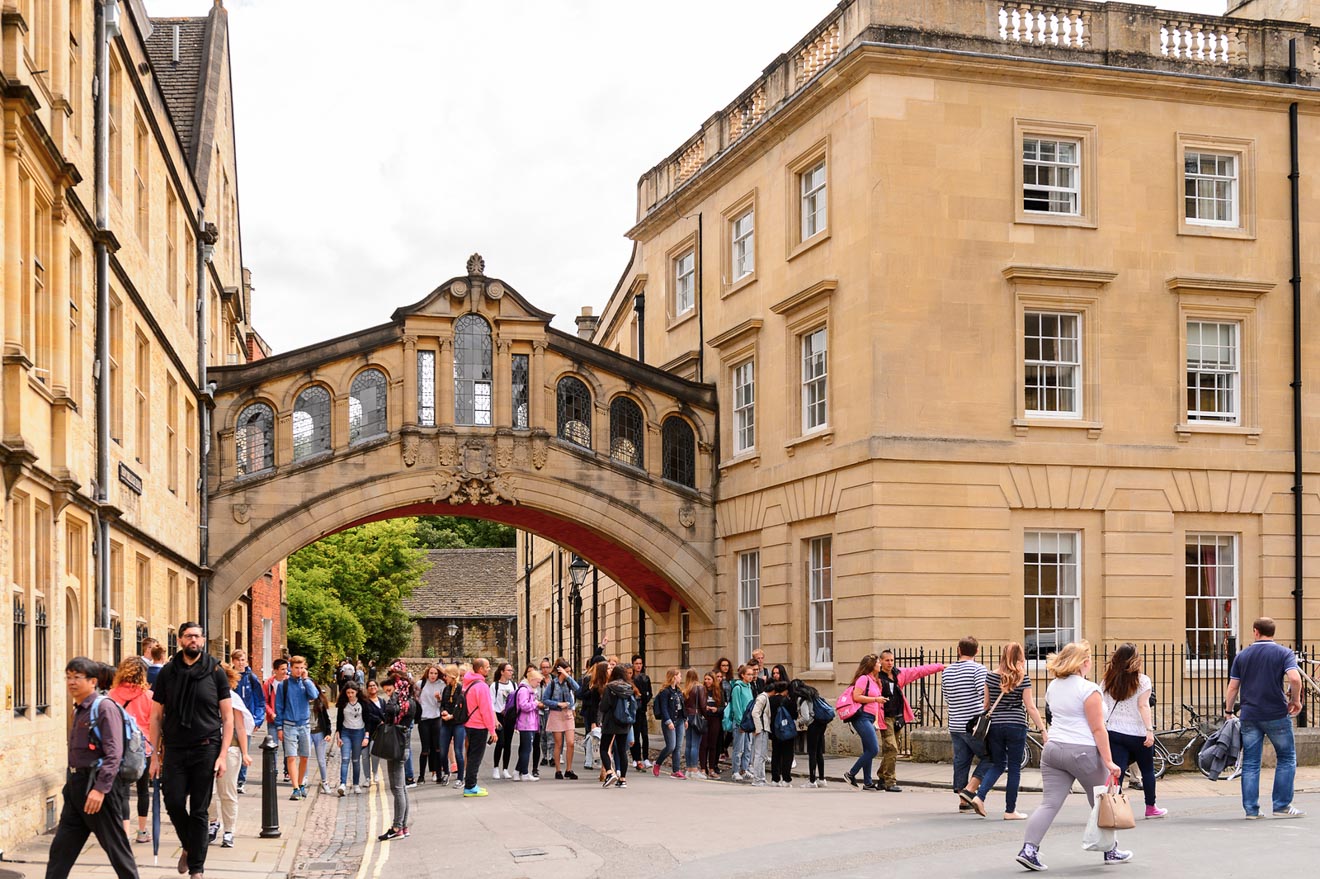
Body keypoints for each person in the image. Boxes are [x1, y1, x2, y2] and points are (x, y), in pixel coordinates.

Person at [1017, 641, 1129, 871]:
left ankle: (1029, 849)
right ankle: (1111, 850)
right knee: (1101, 802)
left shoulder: (1053, 686)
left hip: (1054, 749)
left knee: (1049, 804)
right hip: (1082, 751)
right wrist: (1108, 761)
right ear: (1084, 663)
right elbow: (1098, 729)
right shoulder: (1089, 690)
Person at [148, 622, 233, 879]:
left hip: (206, 748)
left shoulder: (216, 672)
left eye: (197, 636)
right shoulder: (167, 673)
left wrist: (222, 756)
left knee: (199, 809)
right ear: (180, 640)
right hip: (174, 749)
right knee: (172, 801)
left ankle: (197, 868)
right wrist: (154, 754)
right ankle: (189, 845)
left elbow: (227, 718)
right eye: (188, 636)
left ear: (203, 640)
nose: (193, 640)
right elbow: (155, 717)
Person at [45, 657, 141, 879]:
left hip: (99, 788)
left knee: (117, 849)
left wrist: (100, 789)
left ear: (93, 681)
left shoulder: (104, 708)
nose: (71, 682)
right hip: (77, 788)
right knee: (61, 851)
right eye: (68, 677)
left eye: (77, 677)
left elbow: (114, 753)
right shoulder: (79, 709)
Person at [1223, 616, 1305, 820]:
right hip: (1276, 713)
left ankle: (1251, 810)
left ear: (1255, 631)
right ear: (1273, 632)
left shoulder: (1243, 655)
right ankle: (1281, 805)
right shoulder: (1284, 653)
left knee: (1250, 762)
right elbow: (1295, 678)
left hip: (1250, 715)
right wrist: (1295, 700)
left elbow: (1233, 686)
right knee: (1286, 757)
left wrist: (1228, 711)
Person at [971, 642, 1043, 820]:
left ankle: (980, 797)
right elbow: (1031, 707)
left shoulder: (990, 677)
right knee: (1014, 768)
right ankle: (1010, 810)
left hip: (995, 725)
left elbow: (986, 705)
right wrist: (1043, 729)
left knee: (998, 764)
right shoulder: (1022, 678)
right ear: (1019, 657)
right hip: (1016, 725)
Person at [1101, 644, 1164, 819]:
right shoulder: (1143, 680)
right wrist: (1149, 730)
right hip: (1138, 733)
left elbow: (1102, 705)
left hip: (1114, 731)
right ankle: (1151, 807)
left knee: (1118, 770)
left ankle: (1113, 808)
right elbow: (1143, 705)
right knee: (1147, 770)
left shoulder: (1107, 680)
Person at [874, 650, 945, 792]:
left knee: (892, 749)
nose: (890, 663)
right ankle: (890, 781)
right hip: (885, 717)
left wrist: (941, 667)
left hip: (898, 717)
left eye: (892, 660)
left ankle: (882, 777)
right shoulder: (875, 677)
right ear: (880, 661)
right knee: (892, 748)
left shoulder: (899, 674)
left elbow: (920, 671)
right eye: (887, 660)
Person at [107, 657, 154, 844]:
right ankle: (142, 831)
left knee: (123, 792)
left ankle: (124, 832)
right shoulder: (149, 696)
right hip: (144, 748)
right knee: (143, 791)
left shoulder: (112, 694)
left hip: (119, 747)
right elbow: (154, 723)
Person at [207, 664, 254, 849]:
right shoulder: (205, 696)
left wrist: (245, 753)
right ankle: (213, 822)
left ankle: (229, 831)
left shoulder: (232, 698)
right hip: (207, 749)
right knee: (206, 793)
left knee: (227, 792)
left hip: (230, 750)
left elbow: (240, 727)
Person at [945, 636, 994, 813]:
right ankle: (970, 790)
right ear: (977, 651)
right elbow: (984, 695)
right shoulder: (978, 669)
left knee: (961, 760)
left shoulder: (947, 671)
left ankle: (962, 799)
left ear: (958, 650)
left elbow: (947, 696)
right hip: (973, 724)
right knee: (991, 756)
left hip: (955, 722)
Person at [272, 655, 319, 800]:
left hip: (304, 725)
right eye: (296, 668)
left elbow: (314, 695)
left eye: (302, 668)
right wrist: (279, 727)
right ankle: (295, 788)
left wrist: (306, 679)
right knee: (291, 757)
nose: (299, 670)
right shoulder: (283, 685)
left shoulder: (306, 683)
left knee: (304, 757)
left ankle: (301, 784)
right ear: (291, 668)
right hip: (289, 725)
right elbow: (278, 707)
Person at [377, 665, 412, 840]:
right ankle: (403, 826)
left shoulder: (401, 704)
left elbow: (390, 713)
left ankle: (397, 826)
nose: (388, 695)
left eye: (389, 691)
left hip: (397, 747)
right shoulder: (408, 701)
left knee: (397, 788)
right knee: (402, 789)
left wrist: (391, 700)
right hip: (401, 746)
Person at [841, 653, 886, 790]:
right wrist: (875, 699)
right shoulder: (863, 679)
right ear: (872, 665)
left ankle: (867, 782)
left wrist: (877, 720)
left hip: (871, 718)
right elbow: (856, 696)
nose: (880, 664)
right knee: (873, 749)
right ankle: (851, 774)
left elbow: (876, 703)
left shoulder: (874, 680)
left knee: (868, 749)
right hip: (862, 717)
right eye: (878, 662)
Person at [229, 650, 265, 795]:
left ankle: (240, 781)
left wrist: (258, 719)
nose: (240, 662)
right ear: (233, 661)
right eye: (237, 660)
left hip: (246, 720)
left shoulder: (251, 678)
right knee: (231, 749)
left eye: (242, 659)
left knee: (244, 750)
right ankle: (231, 777)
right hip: (230, 720)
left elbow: (259, 700)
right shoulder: (229, 677)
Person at [461, 658, 497, 797]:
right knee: (476, 757)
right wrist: (492, 730)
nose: (489, 669)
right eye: (487, 667)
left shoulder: (468, 683)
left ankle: (471, 784)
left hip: (469, 723)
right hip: (479, 725)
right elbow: (486, 710)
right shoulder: (482, 686)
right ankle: (470, 786)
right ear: (480, 669)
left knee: (471, 756)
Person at [598, 664, 636, 788]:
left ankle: (609, 772)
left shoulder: (610, 687)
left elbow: (603, 706)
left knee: (604, 747)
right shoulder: (629, 688)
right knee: (622, 751)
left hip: (610, 721)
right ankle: (623, 779)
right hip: (624, 721)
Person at [789, 678, 828, 788]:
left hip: (813, 725)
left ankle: (812, 781)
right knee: (819, 752)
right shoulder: (812, 692)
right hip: (821, 723)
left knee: (812, 753)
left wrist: (797, 722)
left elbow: (806, 717)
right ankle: (821, 779)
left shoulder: (802, 698)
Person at [544, 658, 580, 780]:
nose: (569, 673)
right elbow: (545, 700)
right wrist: (558, 704)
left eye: (570, 671)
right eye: (567, 671)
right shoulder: (552, 684)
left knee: (570, 742)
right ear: (560, 670)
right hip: (556, 714)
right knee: (558, 743)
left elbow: (578, 688)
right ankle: (558, 770)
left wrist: (567, 676)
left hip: (568, 714)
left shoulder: (569, 682)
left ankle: (569, 769)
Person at [437, 665, 467, 788]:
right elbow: (443, 704)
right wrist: (443, 711)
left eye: (446, 675)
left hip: (458, 724)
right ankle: (446, 773)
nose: (445, 678)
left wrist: (452, 716)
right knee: (443, 751)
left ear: (452, 676)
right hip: (446, 723)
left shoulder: (461, 689)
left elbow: (461, 707)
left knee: (458, 751)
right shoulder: (446, 689)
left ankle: (460, 778)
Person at [335, 681, 368, 795]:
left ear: (357, 692)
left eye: (352, 692)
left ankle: (356, 784)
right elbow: (339, 719)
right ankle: (342, 784)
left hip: (359, 732)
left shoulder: (363, 703)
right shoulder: (343, 704)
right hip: (346, 732)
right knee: (345, 759)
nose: (350, 695)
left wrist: (366, 736)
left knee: (355, 760)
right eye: (348, 692)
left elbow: (367, 720)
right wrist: (338, 734)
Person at [653, 668, 686, 778]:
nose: (681, 678)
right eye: (679, 675)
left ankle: (676, 770)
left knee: (678, 746)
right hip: (670, 721)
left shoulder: (679, 691)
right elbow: (664, 708)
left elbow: (682, 707)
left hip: (680, 720)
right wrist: (668, 721)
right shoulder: (665, 692)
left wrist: (685, 719)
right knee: (671, 746)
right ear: (674, 677)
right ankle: (657, 763)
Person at [726, 664, 756, 781]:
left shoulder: (749, 687)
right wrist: (740, 723)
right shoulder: (737, 688)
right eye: (748, 674)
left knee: (748, 747)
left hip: (748, 722)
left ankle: (744, 769)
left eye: (751, 674)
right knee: (738, 749)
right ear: (742, 675)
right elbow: (737, 707)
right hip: (740, 723)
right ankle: (735, 771)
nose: (750, 676)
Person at [415, 665, 445, 783]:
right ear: (427, 673)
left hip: (436, 717)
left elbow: (442, 703)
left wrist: (439, 698)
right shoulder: (420, 684)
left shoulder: (441, 685)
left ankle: (438, 775)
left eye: (435, 673)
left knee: (437, 748)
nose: (433, 675)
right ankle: (421, 776)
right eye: (431, 673)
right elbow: (415, 699)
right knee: (425, 749)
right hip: (424, 719)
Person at [513, 667, 543, 781]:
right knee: (526, 749)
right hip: (526, 723)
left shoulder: (528, 690)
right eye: (538, 682)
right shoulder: (524, 690)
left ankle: (517, 772)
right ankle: (524, 773)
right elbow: (524, 706)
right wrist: (535, 704)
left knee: (525, 749)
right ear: (532, 680)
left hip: (530, 723)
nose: (539, 684)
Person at [581, 662, 608, 779]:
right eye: (609, 668)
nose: (611, 670)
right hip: (599, 718)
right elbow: (593, 706)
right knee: (602, 745)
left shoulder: (611, 685)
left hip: (609, 718)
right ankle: (605, 769)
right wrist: (593, 722)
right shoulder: (596, 687)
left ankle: (606, 769)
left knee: (609, 746)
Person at [490, 662, 517, 779]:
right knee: (500, 743)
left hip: (510, 717)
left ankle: (505, 769)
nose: (511, 672)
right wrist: (495, 720)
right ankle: (495, 767)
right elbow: (491, 704)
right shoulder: (494, 686)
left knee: (508, 744)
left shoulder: (514, 685)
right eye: (509, 670)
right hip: (498, 717)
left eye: (511, 670)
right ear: (502, 672)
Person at [766, 681, 795, 786]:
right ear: (786, 690)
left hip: (775, 730)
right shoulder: (788, 701)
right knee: (787, 755)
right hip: (787, 730)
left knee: (776, 754)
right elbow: (794, 715)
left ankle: (775, 779)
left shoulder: (770, 700)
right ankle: (786, 779)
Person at [682, 669, 707, 778]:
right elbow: (702, 704)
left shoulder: (685, 689)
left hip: (687, 716)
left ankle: (688, 768)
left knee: (688, 744)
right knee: (696, 744)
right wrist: (706, 714)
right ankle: (694, 769)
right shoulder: (699, 687)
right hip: (697, 715)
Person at [630, 655, 654, 770]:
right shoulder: (630, 679)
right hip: (633, 710)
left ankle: (646, 758)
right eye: (636, 663)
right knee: (635, 735)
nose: (639, 666)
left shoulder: (645, 678)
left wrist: (645, 698)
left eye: (640, 663)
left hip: (642, 709)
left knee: (645, 735)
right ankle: (635, 758)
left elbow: (650, 693)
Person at [361, 679, 385, 787]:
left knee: (374, 753)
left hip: (378, 731)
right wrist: (379, 720)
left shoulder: (382, 701)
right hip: (365, 730)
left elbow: (385, 714)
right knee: (365, 755)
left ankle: (375, 772)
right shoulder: (364, 702)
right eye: (370, 686)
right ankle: (367, 778)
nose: (372, 687)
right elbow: (367, 715)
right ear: (367, 688)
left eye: (374, 685)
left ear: (377, 687)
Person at [700, 671, 724, 778]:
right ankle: (703, 768)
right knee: (703, 744)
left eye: (709, 679)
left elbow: (723, 707)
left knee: (713, 744)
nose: (707, 681)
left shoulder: (719, 692)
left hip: (715, 719)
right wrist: (704, 708)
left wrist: (716, 709)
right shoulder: (702, 691)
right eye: (705, 679)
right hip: (704, 719)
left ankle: (712, 768)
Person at [309, 689, 333, 794]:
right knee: (305, 757)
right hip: (306, 732)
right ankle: (303, 781)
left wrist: (328, 733)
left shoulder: (319, 703)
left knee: (321, 759)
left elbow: (326, 719)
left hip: (319, 733)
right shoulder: (302, 701)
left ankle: (324, 782)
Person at [533, 657, 553, 774]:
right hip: (540, 711)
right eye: (543, 667)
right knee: (542, 734)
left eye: (547, 667)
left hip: (550, 710)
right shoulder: (538, 681)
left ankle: (551, 756)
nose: (545, 670)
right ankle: (545, 756)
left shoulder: (553, 681)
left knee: (550, 733)